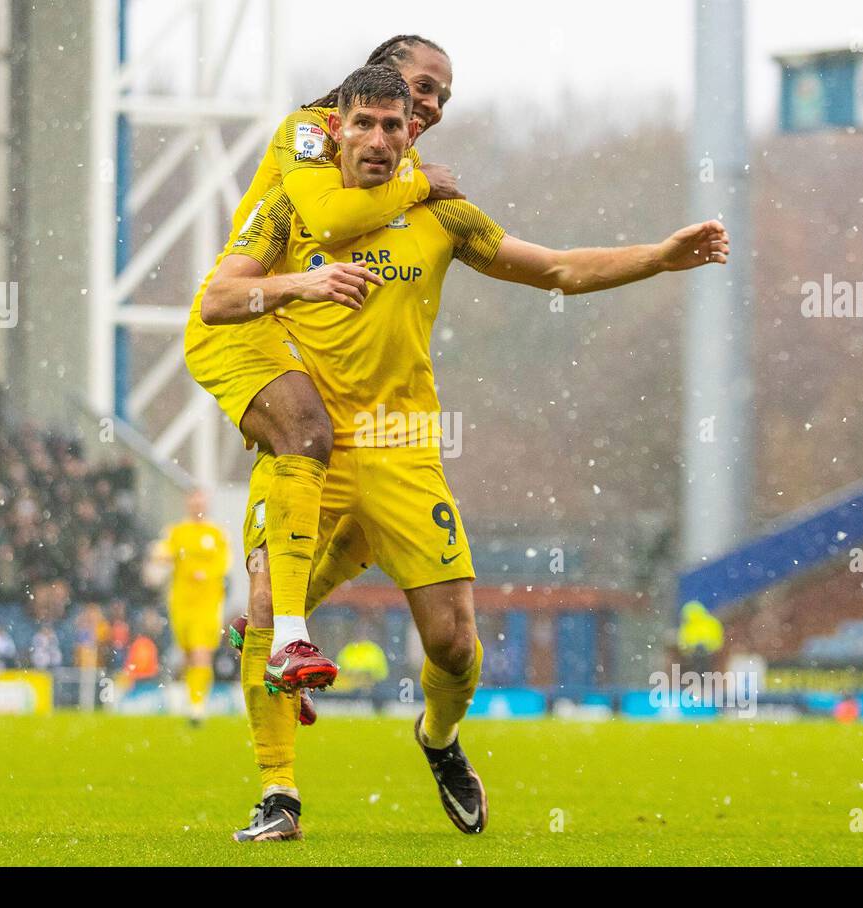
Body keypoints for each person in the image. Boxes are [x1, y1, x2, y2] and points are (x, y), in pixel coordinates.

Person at [202, 65, 730, 842]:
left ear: (411, 132)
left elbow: (553, 268)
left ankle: (439, 740)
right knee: (263, 615)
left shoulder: (442, 214)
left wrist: (658, 255)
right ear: (334, 128)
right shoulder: (289, 209)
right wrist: (296, 290)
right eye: (366, 124)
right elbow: (218, 298)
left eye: (396, 125)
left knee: (454, 643)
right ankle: (278, 794)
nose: (381, 138)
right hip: (309, 445)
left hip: (404, 451)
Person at [184, 35, 464, 694]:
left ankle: (272, 623)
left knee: (363, 516)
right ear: (378, 76)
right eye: (424, 85)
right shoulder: (311, 132)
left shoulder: (393, 153)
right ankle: (283, 642)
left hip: (300, 335)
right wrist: (420, 186)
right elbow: (331, 219)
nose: (433, 104)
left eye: (442, 97)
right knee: (306, 432)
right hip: (246, 321)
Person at [155, 488, 230, 724]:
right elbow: (161, 553)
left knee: (201, 652)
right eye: (194, 501)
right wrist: (163, 554)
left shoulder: (216, 534)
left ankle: (198, 706)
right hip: (181, 602)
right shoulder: (178, 532)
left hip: (207, 603)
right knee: (188, 654)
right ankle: (193, 700)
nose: (197, 505)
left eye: (201, 501)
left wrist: (205, 572)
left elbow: (224, 563)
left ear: (205, 505)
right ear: (188, 504)